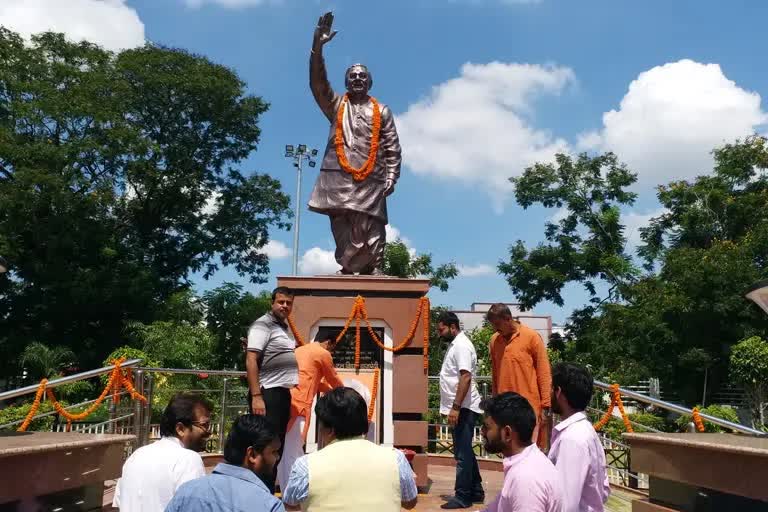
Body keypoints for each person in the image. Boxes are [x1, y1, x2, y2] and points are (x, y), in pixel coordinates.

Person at [307, 12, 403, 275]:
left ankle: (374, 268)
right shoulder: (337, 105)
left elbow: (393, 146)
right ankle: (347, 268)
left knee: (373, 224)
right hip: (338, 178)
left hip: (372, 179)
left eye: (362, 76)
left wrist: (392, 177)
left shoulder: (382, 110)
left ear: (369, 82)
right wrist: (318, 45)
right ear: (346, 82)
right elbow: (317, 84)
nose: (358, 79)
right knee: (341, 224)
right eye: (353, 76)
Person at [282, 387, 417, 511]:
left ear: (329, 430)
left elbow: (290, 504)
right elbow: (410, 502)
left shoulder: (305, 466)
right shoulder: (396, 459)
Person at [165, 414, 285, 512]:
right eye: (274, 451)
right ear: (252, 455)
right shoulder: (269, 506)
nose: (277, 457)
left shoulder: (187, 492)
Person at [113, 393, 212, 512]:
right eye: (204, 425)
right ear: (180, 429)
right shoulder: (188, 459)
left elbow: (118, 505)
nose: (208, 432)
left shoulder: (136, 456)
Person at [246, 286, 299, 492]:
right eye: (281, 302)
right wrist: (257, 396)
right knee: (264, 449)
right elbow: (251, 359)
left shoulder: (283, 327)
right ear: (272, 303)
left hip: (281, 394)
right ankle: (257, 496)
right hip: (268, 393)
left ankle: (266, 494)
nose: (285, 306)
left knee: (276, 449)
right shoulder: (263, 324)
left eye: (289, 303)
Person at [276, 338, 345, 492]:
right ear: (329, 343)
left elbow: (312, 381)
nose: (331, 353)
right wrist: (348, 394)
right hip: (298, 406)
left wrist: (328, 390)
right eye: (333, 349)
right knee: (294, 453)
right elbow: (332, 378)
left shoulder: (299, 350)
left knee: (283, 451)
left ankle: (289, 492)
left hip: (284, 403)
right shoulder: (322, 353)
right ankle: (294, 496)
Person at [479, 392, 564, 512]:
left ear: (507, 433)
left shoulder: (525, 479)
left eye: (486, 427)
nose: (482, 432)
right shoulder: (527, 462)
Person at [486, 303, 552, 450]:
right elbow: (495, 374)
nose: (495, 329)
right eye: (492, 325)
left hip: (529, 409)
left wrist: (545, 406)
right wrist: (495, 405)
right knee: (508, 453)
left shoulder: (532, 337)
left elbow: (544, 372)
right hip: (505, 409)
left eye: (497, 324)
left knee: (530, 452)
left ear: (508, 319)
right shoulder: (494, 341)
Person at [436, 312, 484, 509]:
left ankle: (463, 496)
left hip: (463, 408)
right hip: (459, 407)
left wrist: (455, 407)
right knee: (465, 452)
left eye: (441, 330)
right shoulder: (456, 344)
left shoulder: (462, 346)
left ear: (452, 326)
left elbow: (465, 377)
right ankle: (476, 490)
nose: (439, 334)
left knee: (462, 455)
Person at [549, 363, 610, 512]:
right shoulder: (585, 431)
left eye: (551, 388)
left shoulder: (572, 439)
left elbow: (565, 504)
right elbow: (604, 490)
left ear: (558, 392)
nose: (548, 393)